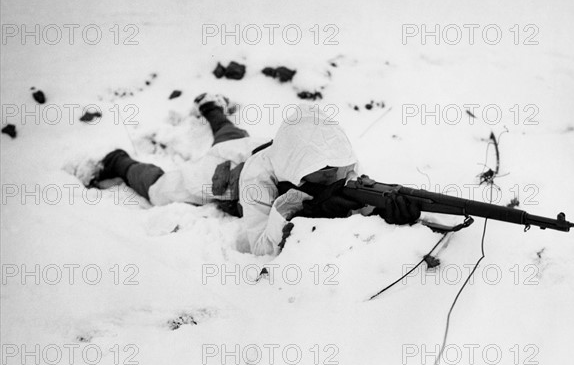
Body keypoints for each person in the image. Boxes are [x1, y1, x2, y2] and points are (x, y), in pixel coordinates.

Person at [90, 94, 420, 256]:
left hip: (256, 145)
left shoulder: (334, 157)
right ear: (299, 169)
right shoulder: (258, 182)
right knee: (162, 189)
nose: (336, 176)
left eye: (336, 168)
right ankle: (118, 161)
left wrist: (386, 209)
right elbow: (253, 243)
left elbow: (357, 193)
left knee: (231, 136)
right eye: (323, 173)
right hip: (226, 173)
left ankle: (211, 109)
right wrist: (283, 209)